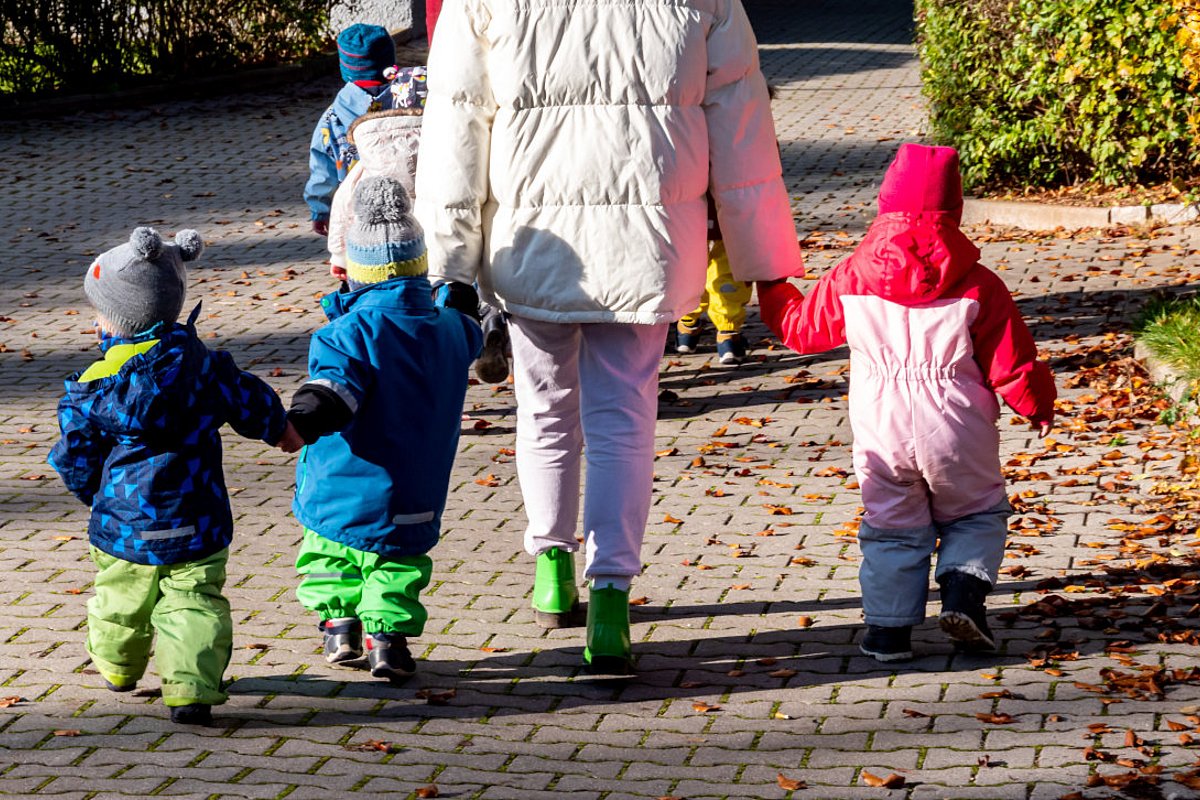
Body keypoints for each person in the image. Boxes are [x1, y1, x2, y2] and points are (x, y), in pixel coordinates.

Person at [415, 0, 804, 672]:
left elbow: (456, 126)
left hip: (536, 245)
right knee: (626, 420)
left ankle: (552, 569)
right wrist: (764, 265)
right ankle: (612, 603)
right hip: (650, 244)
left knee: (543, 411)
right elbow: (743, 132)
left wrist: (448, 263)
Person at [756, 143, 1056, 663]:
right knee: (976, 513)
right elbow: (1013, 359)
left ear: (885, 202)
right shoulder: (979, 284)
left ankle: (888, 633)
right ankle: (963, 594)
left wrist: (770, 285)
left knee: (892, 525)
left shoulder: (852, 276)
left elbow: (800, 329)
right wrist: (1036, 404)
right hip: (958, 425)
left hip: (883, 426)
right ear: (954, 209)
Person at [48, 227, 302, 726]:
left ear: (116, 323)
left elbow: (75, 456)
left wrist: (94, 495)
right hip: (199, 520)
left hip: (123, 525)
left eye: (100, 313)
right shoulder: (207, 369)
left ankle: (119, 668)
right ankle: (190, 691)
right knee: (195, 601)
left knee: (120, 596)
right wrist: (280, 429)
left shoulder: (95, 387)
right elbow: (252, 401)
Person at [287, 176, 481, 683]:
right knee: (397, 563)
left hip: (341, 481)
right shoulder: (449, 329)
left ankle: (339, 626)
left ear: (356, 273)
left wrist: (303, 418)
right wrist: (459, 300)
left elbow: (335, 388)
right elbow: (471, 332)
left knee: (330, 553)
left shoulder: (346, 332)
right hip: (417, 486)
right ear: (418, 266)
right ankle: (388, 644)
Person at [325, 70, 511, 384]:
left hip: (383, 257)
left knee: (407, 311)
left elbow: (345, 202)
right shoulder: (446, 142)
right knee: (466, 298)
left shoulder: (372, 147)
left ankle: (417, 365)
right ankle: (487, 329)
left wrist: (339, 256)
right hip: (439, 246)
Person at [304, 23, 397, 236]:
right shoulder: (409, 102)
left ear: (345, 68)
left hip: (353, 208)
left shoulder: (332, 118)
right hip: (407, 205)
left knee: (355, 259)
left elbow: (321, 164)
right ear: (389, 62)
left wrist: (320, 209)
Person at [674, 192, 753, 365]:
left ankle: (687, 325)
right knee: (729, 246)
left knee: (690, 245)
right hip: (732, 177)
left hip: (680, 176)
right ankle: (728, 334)